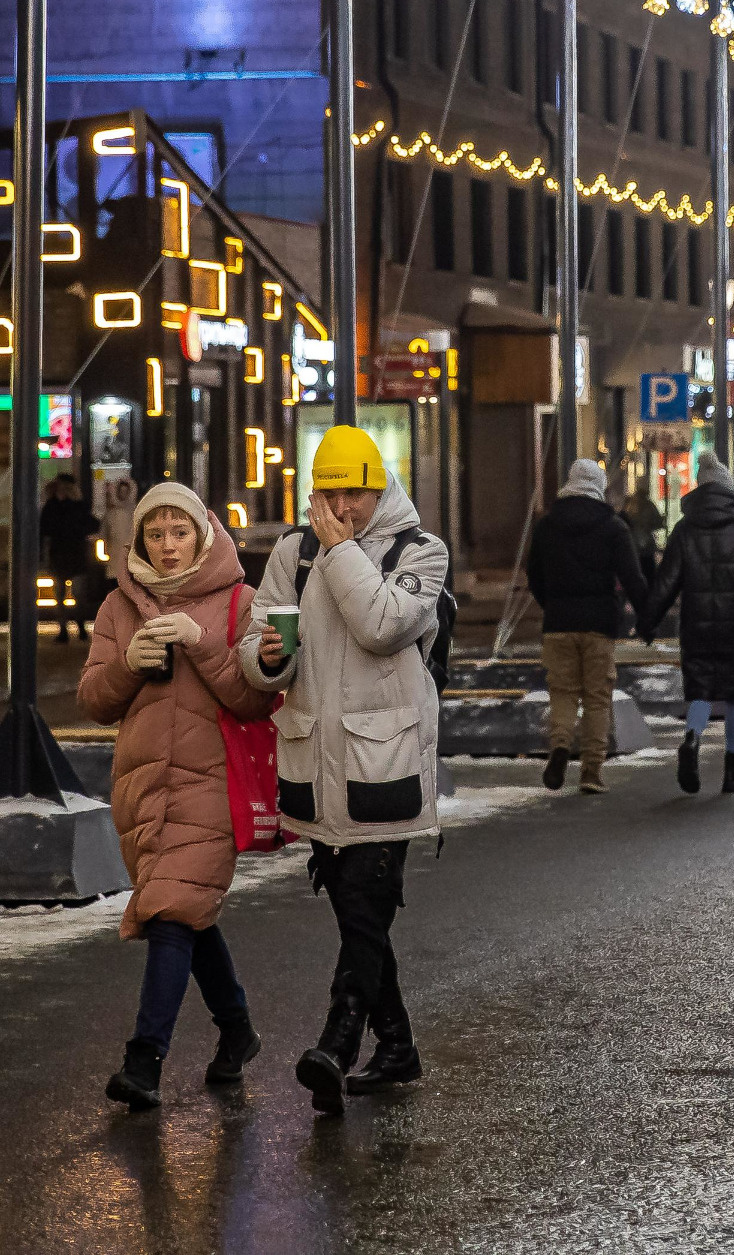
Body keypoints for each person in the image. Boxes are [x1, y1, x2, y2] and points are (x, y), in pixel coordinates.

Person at [242, 424, 450, 1115]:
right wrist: (270, 657)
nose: (342, 506)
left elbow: (382, 623)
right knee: (355, 908)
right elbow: (260, 647)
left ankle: (337, 1041)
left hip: (386, 758)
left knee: (365, 903)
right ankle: (396, 1046)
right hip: (315, 763)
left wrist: (340, 551)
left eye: (355, 491)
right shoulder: (292, 552)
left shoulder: (419, 551)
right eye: (329, 492)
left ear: (379, 485)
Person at [80, 482, 275, 1111]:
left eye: (180, 531)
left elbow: (256, 698)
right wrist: (128, 664)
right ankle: (237, 1030)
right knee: (186, 912)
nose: (168, 546)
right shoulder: (118, 607)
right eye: (155, 534)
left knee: (169, 912)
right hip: (141, 787)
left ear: (204, 533)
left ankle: (144, 1062)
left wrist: (202, 642)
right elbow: (94, 701)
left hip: (212, 783)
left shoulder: (239, 603)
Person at [642, 455, 734, 794]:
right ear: (729, 490)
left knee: (701, 692)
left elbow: (666, 582)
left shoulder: (685, 530)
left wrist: (648, 622)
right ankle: (732, 770)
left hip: (697, 627)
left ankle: (692, 737)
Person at [523, 458, 645, 794]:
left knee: (562, 692)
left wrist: (553, 604)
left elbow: (534, 573)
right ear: (599, 485)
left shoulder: (547, 525)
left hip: (559, 623)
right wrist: (647, 616)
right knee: (596, 697)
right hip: (599, 624)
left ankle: (560, 744)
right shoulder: (613, 526)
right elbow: (632, 578)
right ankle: (592, 771)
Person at [38, 473, 102, 635]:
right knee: (72, 593)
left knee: (69, 593)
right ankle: (71, 628)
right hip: (70, 552)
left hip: (65, 552)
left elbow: (45, 529)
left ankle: (69, 628)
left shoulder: (57, 506)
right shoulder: (71, 506)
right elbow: (92, 525)